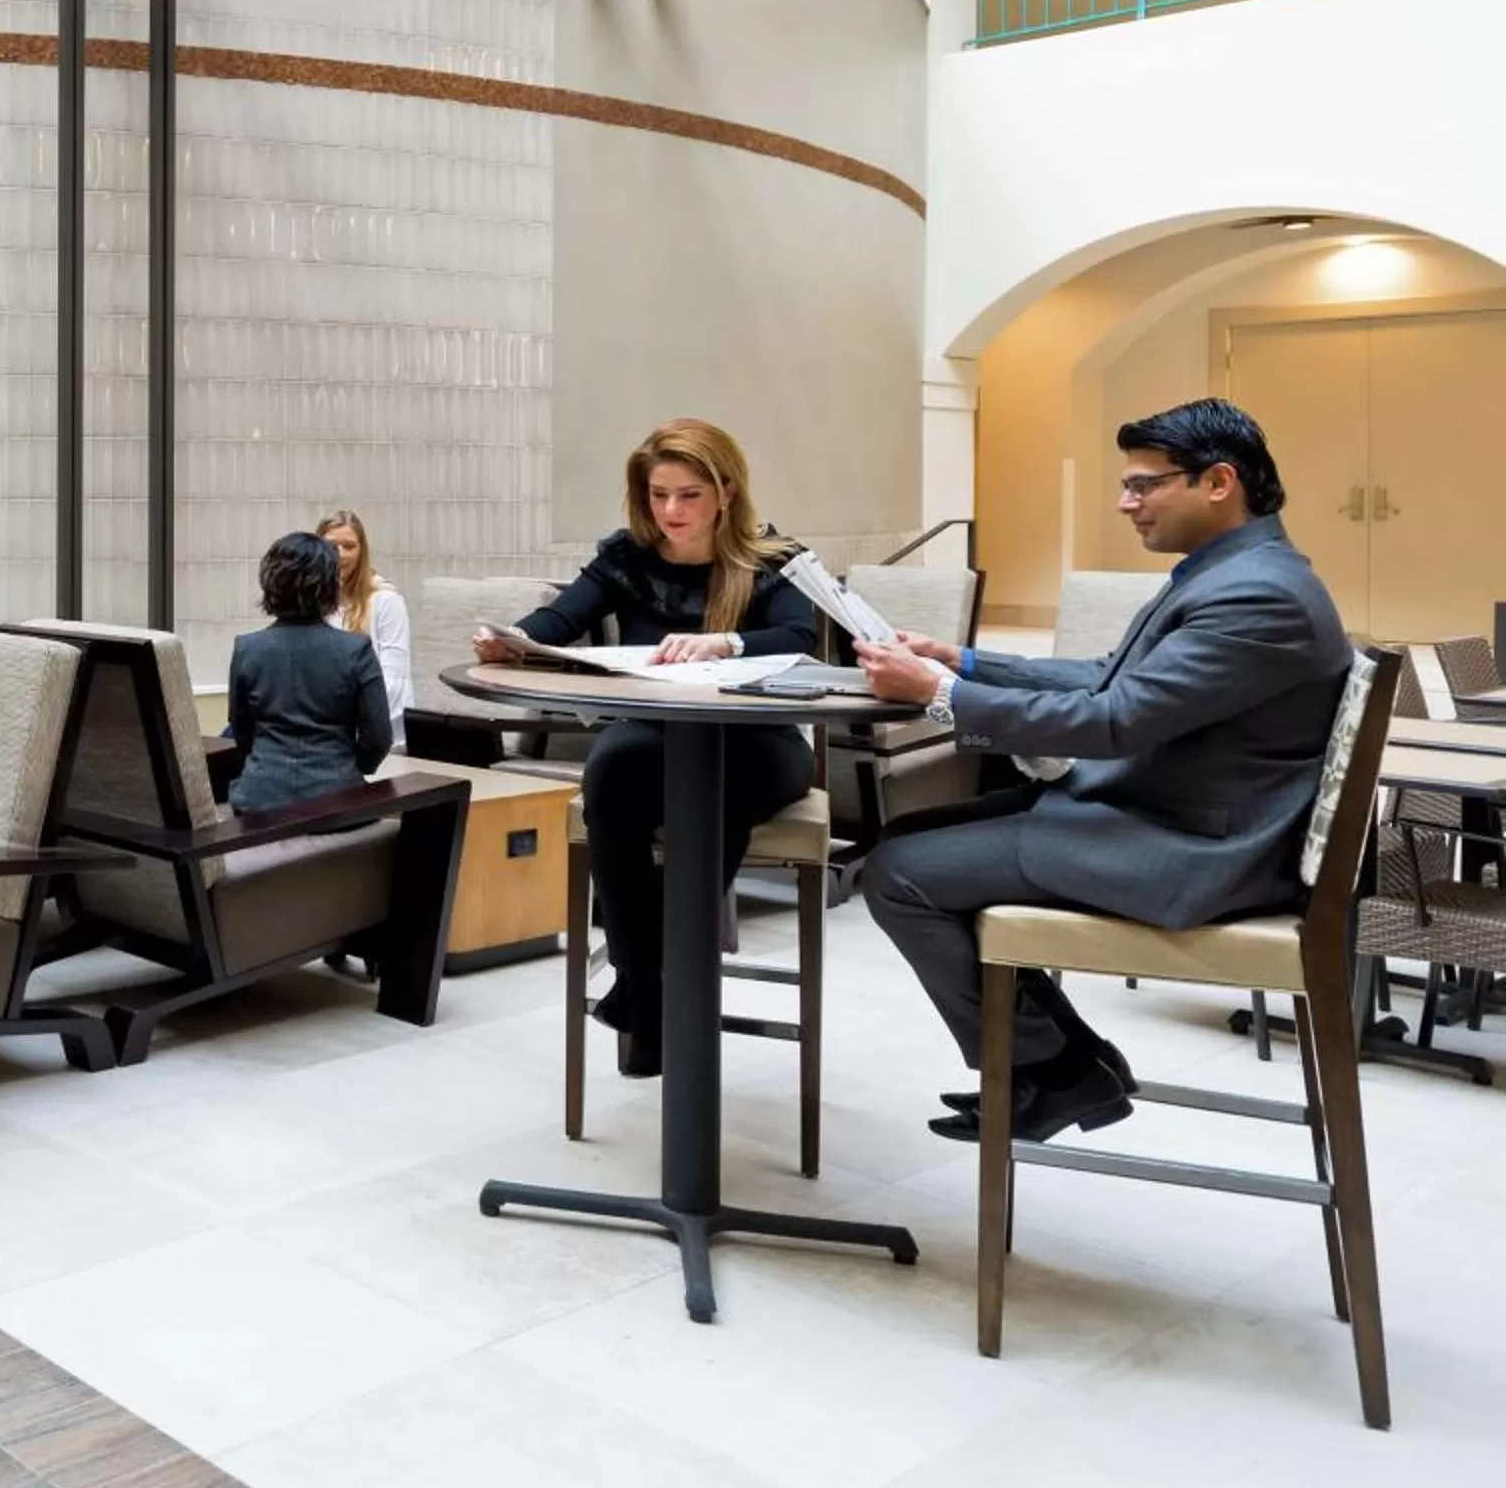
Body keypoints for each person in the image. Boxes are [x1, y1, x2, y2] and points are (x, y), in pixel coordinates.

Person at [853, 399, 1352, 1144]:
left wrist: (942, 696)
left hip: (1193, 850)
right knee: (907, 838)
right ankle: (1066, 1062)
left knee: (900, 873)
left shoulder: (1258, 596)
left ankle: (1052, 1071)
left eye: (1144, 485)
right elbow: (1109, 677)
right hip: (1170, 818)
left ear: (1219, 482)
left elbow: (1117, 722)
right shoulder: (1238, 572)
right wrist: (967, 662)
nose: (1126, 503)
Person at [471, 419, 818, 1078]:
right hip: (653, 735)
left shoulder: (772, 559)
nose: (671, 511)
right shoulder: (627, 555)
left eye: (688, 495)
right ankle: (652, 981)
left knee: (712, 785)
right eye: (659, 494)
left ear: (726, 491)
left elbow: (800, 637)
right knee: (609, 773)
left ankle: (645, 991)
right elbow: (560, 618)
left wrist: (727, 642)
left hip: (759, 739)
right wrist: (513, 638)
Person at [228, 532, 394, 817]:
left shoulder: (247, 649)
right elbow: (378, 738)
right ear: (331, 586)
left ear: (270, 585)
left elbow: (241, 728)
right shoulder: (356, 650)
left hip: (259, 805)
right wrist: (354, 767)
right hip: (338, 803)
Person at [318, 508, 412, 748]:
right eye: (331, 546)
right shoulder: (313, 601)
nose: (340, 555)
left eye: (349, 547)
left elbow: (394, 681)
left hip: (376, 729)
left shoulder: (386, 600)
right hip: (324, 723)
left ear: (362, 551)